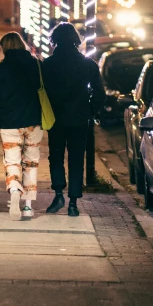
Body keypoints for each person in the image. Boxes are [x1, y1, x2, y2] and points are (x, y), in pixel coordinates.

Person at [42, 22, 105, 217]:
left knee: (56, 156)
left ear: (55, 40)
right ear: (75, 40)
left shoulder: (48, 64)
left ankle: (59, 192)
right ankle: (73, 202)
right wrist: (91, 109)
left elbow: (41, 91)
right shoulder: (87, 64)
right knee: (77, 159)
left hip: (56, 118)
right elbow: (99, 93)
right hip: (79, 118)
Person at [0, 32, 42, 221]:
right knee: (31, 162)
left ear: (5, 48)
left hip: (9, 121)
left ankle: (13, 190)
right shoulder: (36, 64)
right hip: (33, 120)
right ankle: (27, 206)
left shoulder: (2, 68)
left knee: (12, 160)